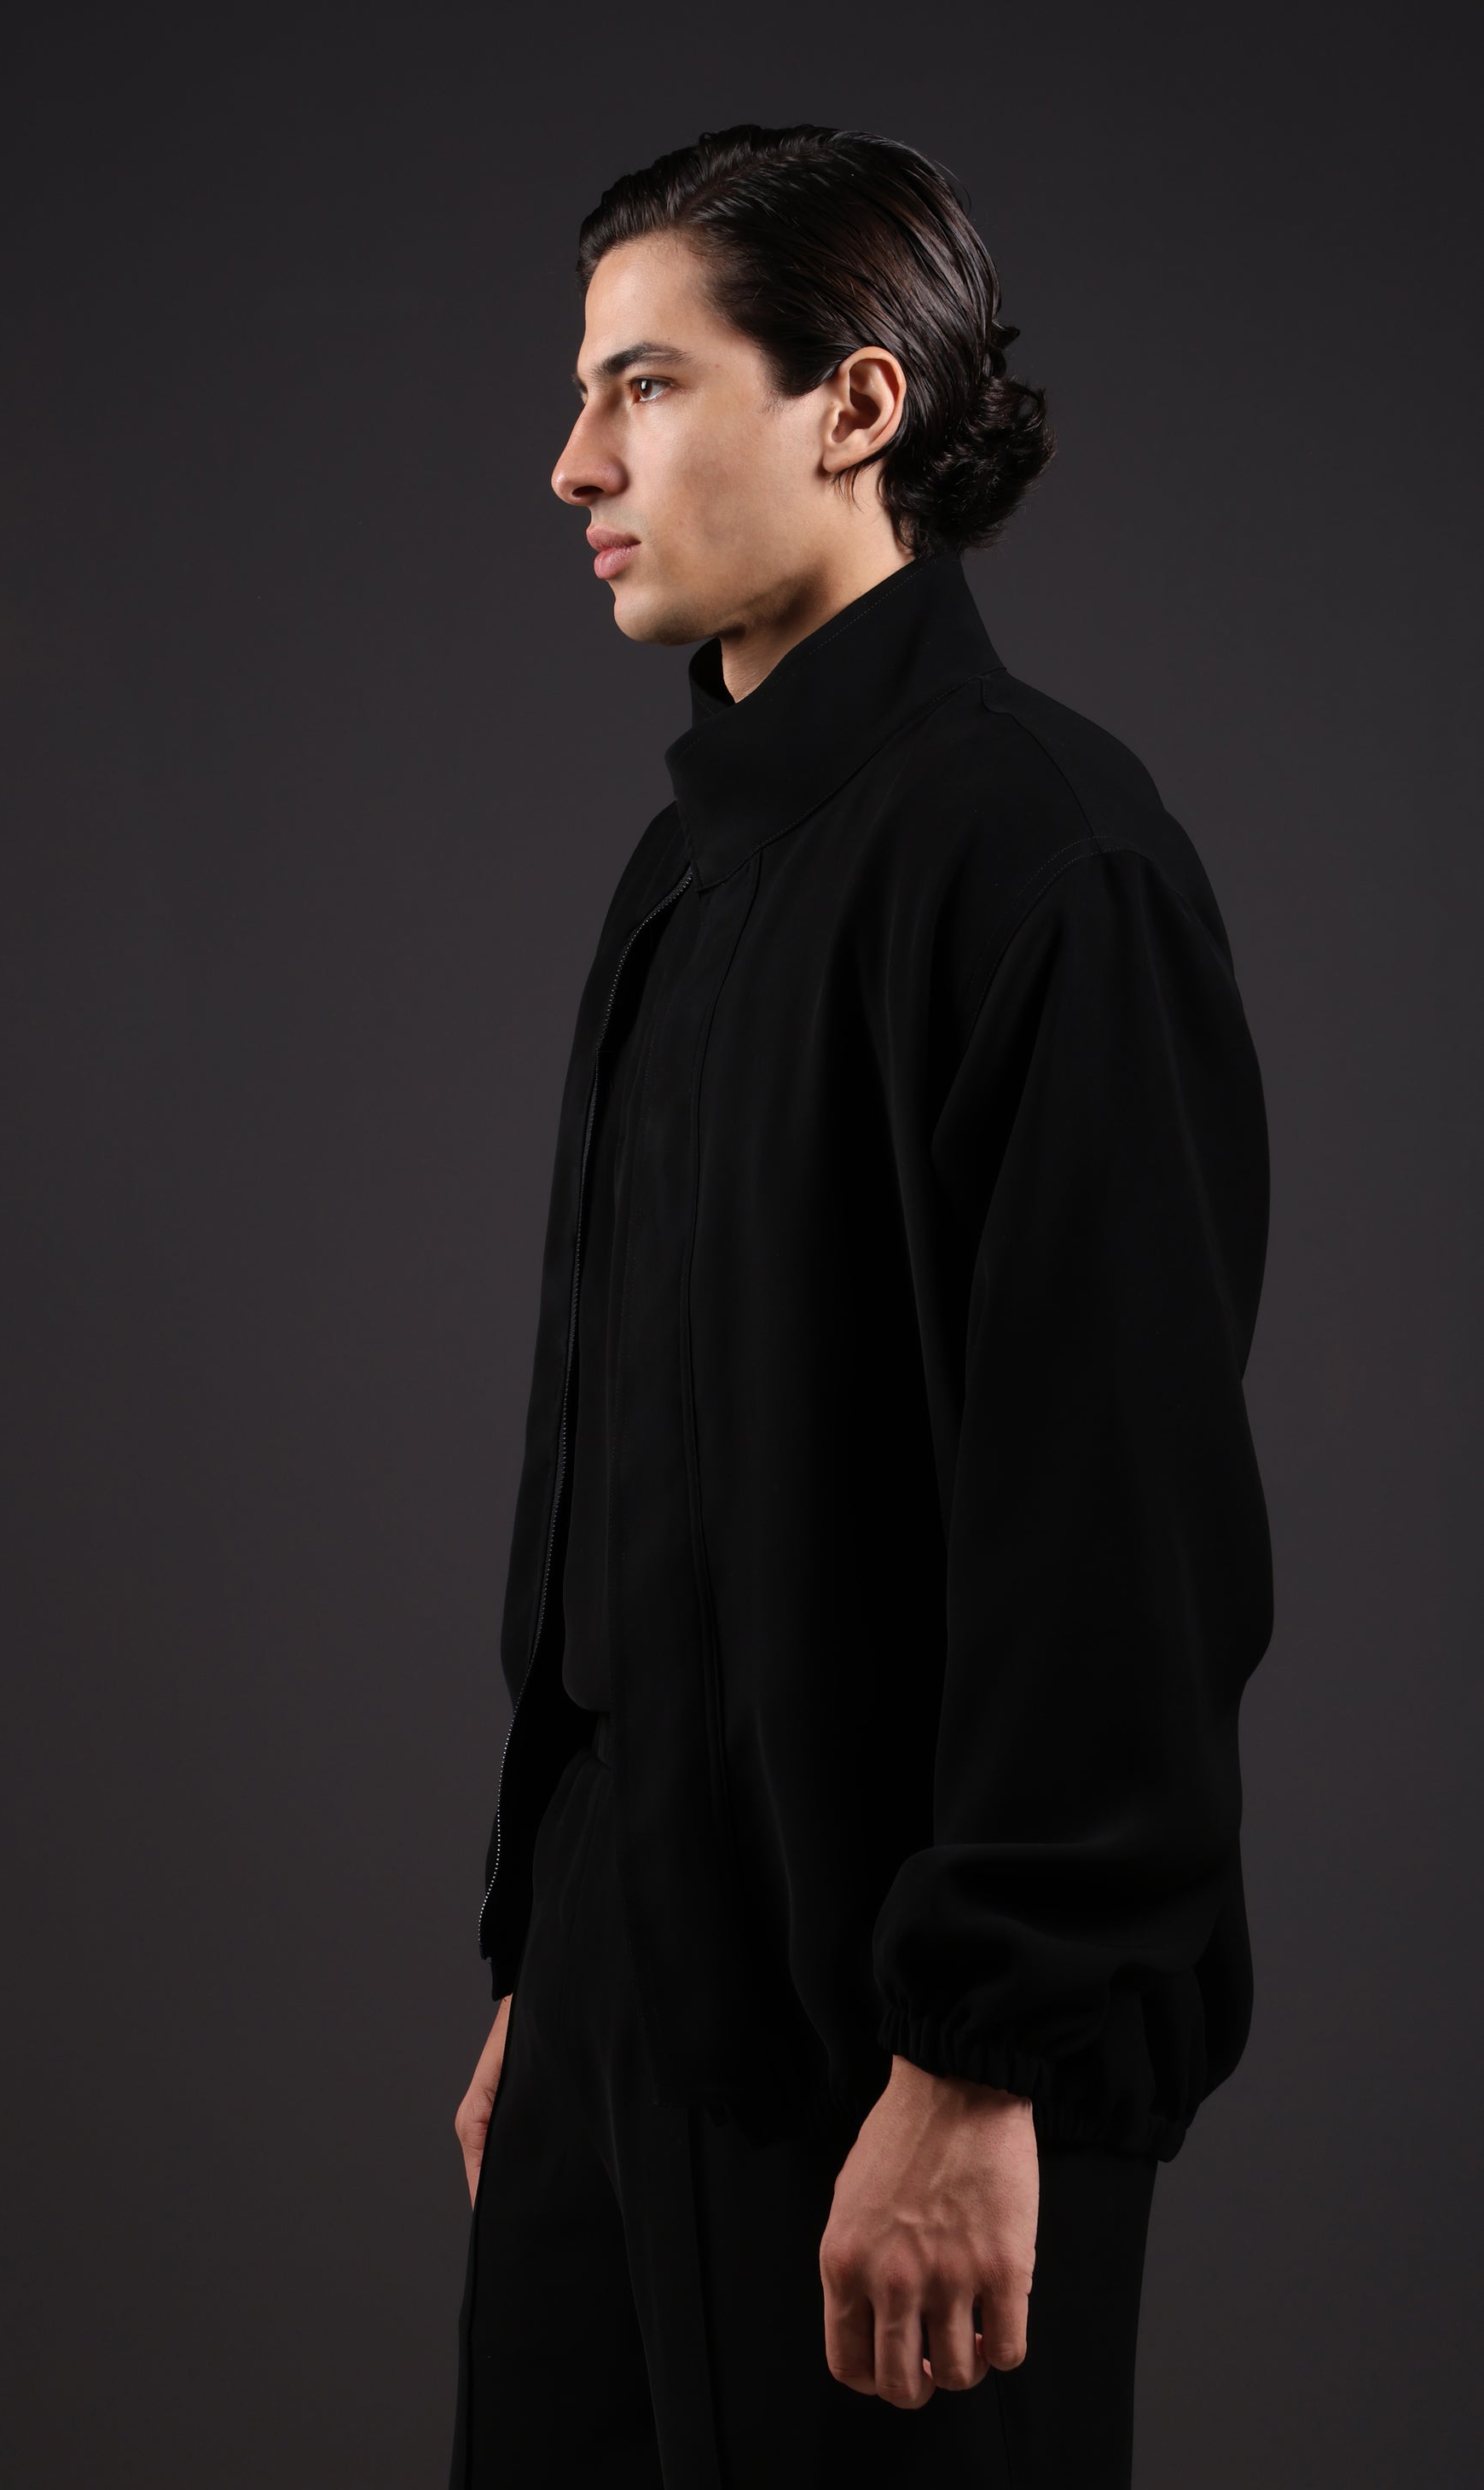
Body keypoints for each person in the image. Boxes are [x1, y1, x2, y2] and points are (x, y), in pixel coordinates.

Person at [449, 123, 1272, 2490]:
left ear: (857, 405)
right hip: (625, 1994)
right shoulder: (683, 875)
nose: (574, 463)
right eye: (584, 394)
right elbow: (620, 1493)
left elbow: (1112, 1525)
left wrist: (979, 2058)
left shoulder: (1046, 858)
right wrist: (548, 1972)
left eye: (644, 385)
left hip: (900, 2049)